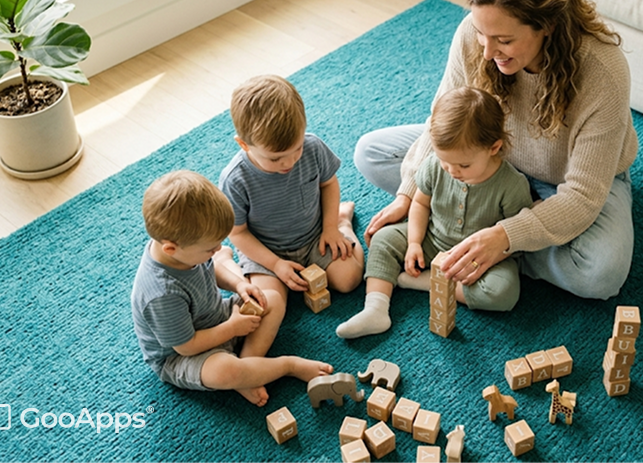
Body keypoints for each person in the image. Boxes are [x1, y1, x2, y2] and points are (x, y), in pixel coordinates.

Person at [355, 0, 638, 300]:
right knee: (372, 153)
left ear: (547, 25)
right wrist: (409, 192)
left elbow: (582, 197)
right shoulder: (474, 38)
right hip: (486, 158)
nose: (487, 53)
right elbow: (440, 118)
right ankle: (486, 233)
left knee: (600, 273)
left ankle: (481, 239)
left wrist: (505, 237)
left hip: (565, 179)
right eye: (481, 33)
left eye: (504, 40)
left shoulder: (603, 72)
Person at [336, 87, 534, 339]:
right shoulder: (433, 166)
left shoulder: (512, 185)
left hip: (478, 259)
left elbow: (514, 237)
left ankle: (420, 281)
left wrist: (493, 257)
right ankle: (375, 308)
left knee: (503, 291)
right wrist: (414, 243)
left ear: (494, 148)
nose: (452, 170)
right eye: (445, 161)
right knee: (383, 239)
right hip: (432, 237)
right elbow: (420, 204)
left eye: (463, 165)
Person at [131, 170, 333, 408]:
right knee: (224, 371)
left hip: (217, 317)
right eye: (210, 248)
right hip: (184, 355)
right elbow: (187, 346)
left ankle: (248, 368)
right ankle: (285, 366)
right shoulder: (161, 294)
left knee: (272, 299)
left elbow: (210, 269)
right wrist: (232, 328)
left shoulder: (186, 250)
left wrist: (238, 285)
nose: (217, 250)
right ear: (171, 249)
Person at [219, 74, 364, 303]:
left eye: (296, 150)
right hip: (266, 250)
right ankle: (225, 264)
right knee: (269, 300)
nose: (289, 163)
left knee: (349, 279)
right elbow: (237, 232)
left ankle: (342, 222)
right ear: (244, 145)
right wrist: (275, 264)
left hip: (315, 234)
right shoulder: (235, 180)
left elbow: (329, 184)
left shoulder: (313, 147)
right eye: (275, 159)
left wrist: (330, 228)